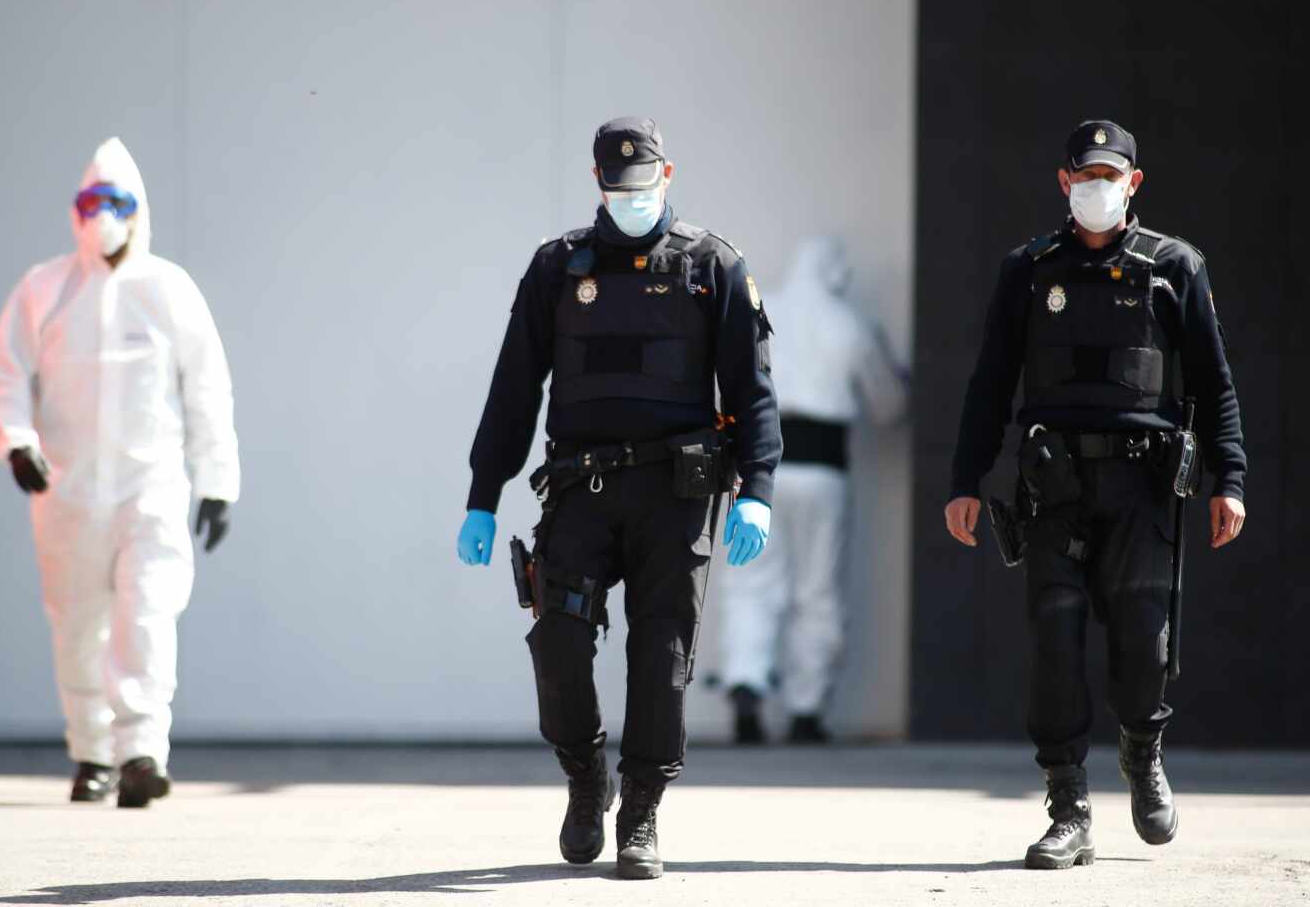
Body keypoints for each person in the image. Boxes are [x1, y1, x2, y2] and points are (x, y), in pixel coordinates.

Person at [456, 117, 780, 880]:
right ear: (598, 184)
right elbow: (513, 388)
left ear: (668, 176)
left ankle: (639, 814)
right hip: (581, 485)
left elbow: (753, 391)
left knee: (660, 655)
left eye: (644, 186)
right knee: (561, 641)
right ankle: (584, 776)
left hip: (677, 493)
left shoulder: (713, 266)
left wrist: (757, 488)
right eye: (617, 188)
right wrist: (482, 492)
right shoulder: (558, 270)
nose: (631, 199)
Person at [944, 120, 1246, 869]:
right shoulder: (1031, 268)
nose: (1097, 189)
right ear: (1063, 181)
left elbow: (1214, 383)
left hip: (1145, 487)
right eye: (1085, 176)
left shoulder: (1175, 266)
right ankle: (1068, 805)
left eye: (1111, 176)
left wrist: (1229, 479)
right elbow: (990, 383)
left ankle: (1142, 753)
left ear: (1134, 183)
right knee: (1055, 643)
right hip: (1054, 487)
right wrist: (965, 481)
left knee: (1143, 645)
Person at [0, 137, 240, 808]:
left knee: (148, 616)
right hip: (65, 492)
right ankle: (92, 754)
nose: (104, 214)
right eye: (91, 202)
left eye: (116, 202)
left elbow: (207, 388)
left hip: (149, 488)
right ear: (75, 211)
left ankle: (141, 753)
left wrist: (217, 481)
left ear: (138, 209)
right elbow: (4, 374)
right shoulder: (45, 288)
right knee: (77, 625)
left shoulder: (168, 288)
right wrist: (15, 441)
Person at [720, 236, 907, 744]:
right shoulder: (850, 326)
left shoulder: (767, 310)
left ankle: (746, 682)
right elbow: (889, 407)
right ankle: (806, 710)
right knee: (816, 591)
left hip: (761, 468)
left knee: (752, 581)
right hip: (824, 471)